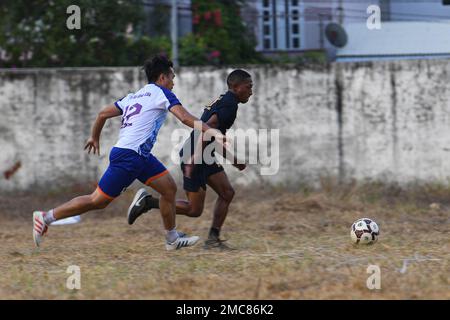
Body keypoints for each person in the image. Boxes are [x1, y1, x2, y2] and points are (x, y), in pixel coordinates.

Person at [32, 55, 226, 251]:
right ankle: (45, 217)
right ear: (162, 78)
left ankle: (172, 238)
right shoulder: (162, 93)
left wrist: (94, 137)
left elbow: (102, 114)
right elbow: (184, 117)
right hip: (129, 157)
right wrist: (211, 131)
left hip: (139, 156)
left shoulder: (133, 97)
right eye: (172, 77)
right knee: (97, 201)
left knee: (168, 189)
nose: (173, 82)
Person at [127, 69, 253, 250]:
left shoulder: (225, 100)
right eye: (248, 87)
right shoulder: (229, 105)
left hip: (204, 155)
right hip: (196, 156)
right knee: (194, 210)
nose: (251, 91)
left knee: (227, 193)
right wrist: (194, 159)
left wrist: (233, 160)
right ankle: (148, 202)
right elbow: (208, 129)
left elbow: (212, 135)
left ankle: (212, 240)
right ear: (235, 86)